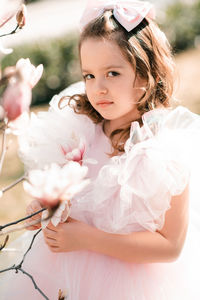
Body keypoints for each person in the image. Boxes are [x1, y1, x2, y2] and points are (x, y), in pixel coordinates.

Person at [1, 0, 200, 299]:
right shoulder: (78, 130)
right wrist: (43, 210)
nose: (98, 88)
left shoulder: (164, 150)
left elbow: (170, 246)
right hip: (61, 274)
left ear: (146, 75)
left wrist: (88, 239)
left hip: (133, 285)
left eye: (113, 74)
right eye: (89, 76)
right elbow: (66, 197)